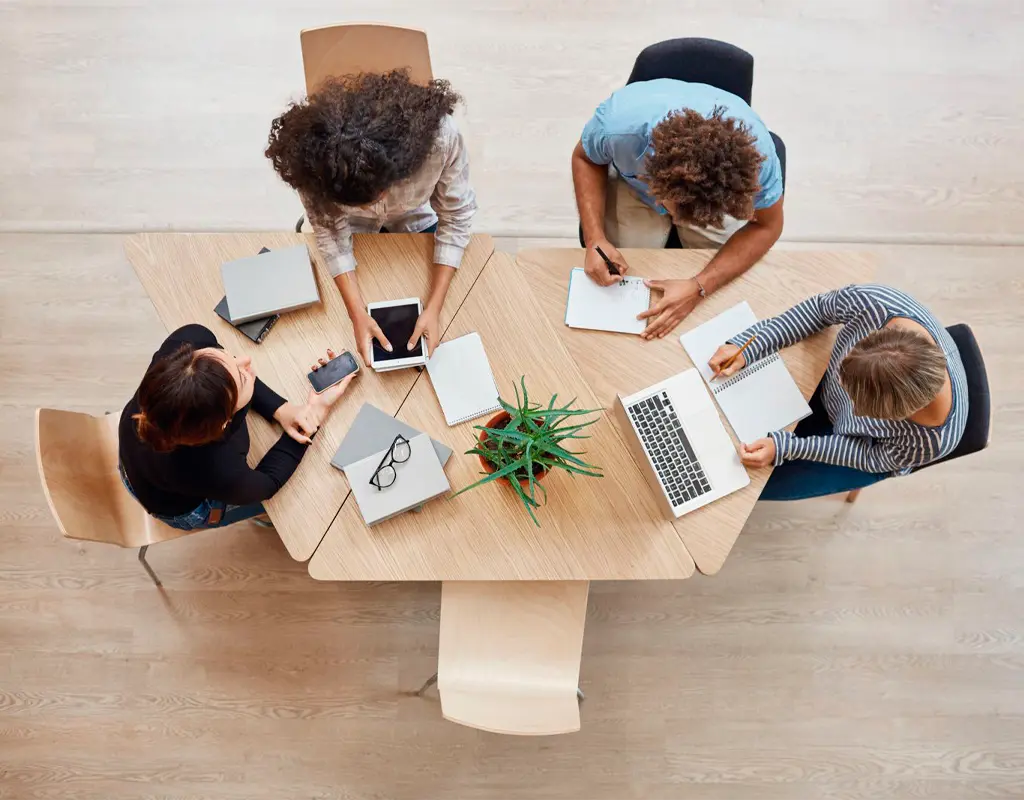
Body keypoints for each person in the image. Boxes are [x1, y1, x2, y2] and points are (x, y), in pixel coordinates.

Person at [265, 70, 478, 365]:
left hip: (414, 219)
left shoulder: (441, 139)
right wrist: (356, 314)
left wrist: (435, 307)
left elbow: (455, 218)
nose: (372, 207)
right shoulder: (315, 163)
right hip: (351, 232)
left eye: (377, 195)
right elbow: (329, 230)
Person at [706, 285, 968, 501]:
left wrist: (788, 447)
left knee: (744, 488)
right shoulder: (877, 304)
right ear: (872, 339)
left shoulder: (933, 441)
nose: (847, 393)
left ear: (901, 414)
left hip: (862, 449)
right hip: (820, 388)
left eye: (860, 404)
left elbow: (871, 456)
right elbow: (820, 310)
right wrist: (750, 345)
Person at [571, 78, 784, 340]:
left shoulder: (757, 164)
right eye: (668, 205)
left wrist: (699, 287)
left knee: (723, 287)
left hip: (703, 196)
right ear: (656, 174)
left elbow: (768, 225)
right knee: (626, 266)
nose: (671, 218)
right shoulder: (618, 129)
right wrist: (595, 239)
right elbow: (584, 158)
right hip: (635, 184)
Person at [118, 325, 353, 530]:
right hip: (180, 507)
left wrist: (281, 409)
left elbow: (218, 378)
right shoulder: (220, 470)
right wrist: (314, 414)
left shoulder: (188, 341)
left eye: (222, 355)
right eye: (241, 377)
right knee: (288, 508)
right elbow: (267, 484)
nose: (245, 360)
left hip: (137, 467)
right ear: (224, 423)